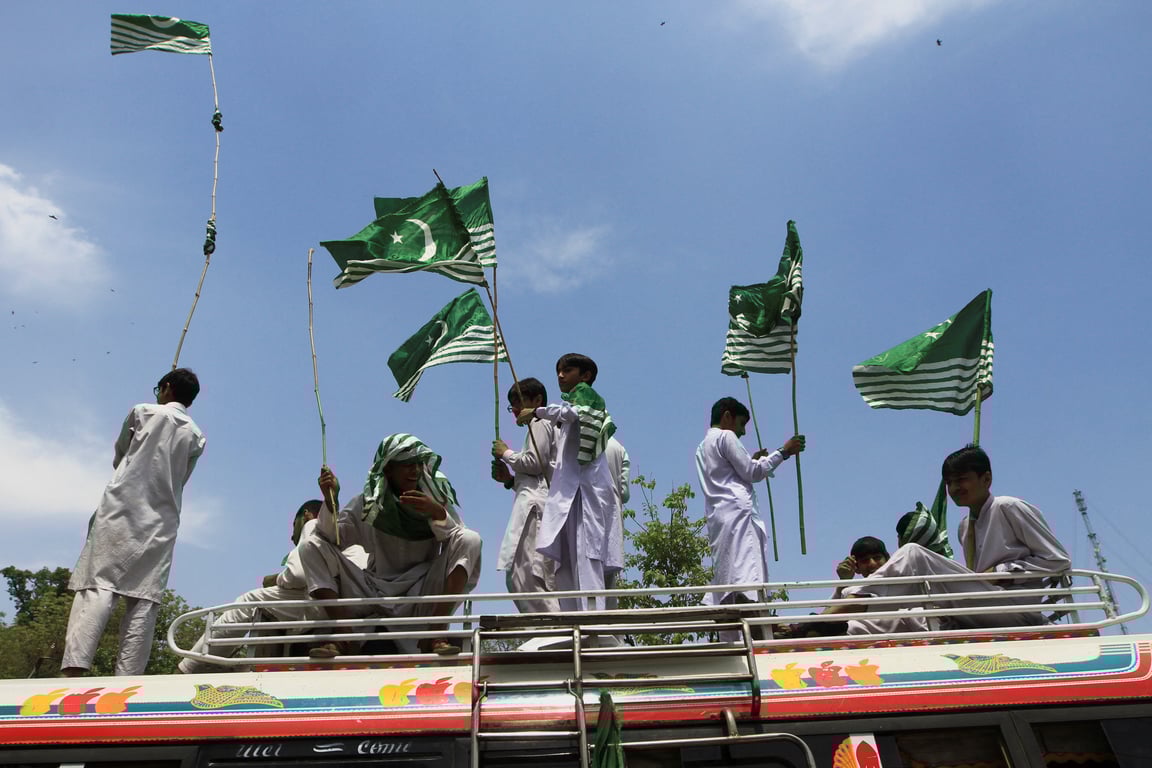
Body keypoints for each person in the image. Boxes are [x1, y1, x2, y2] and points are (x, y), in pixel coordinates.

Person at [61, 368, 206, 677]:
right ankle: (128, 677)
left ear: (166, 387)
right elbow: (182, 478)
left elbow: (120, 455)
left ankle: (75, 666)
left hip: (121, 510)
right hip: (162, 520)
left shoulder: (142, 412)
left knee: (99, 584)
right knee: (144, 597)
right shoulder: (196, 435)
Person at [845, 445, 1071, 634]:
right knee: (903, 615)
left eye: (961, 480)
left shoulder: (1008, 507)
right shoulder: (965, 527)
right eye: (949, 483)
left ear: (986, 479)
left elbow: (1057, 560)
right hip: (981, 607)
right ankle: (839, 623)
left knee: (914, 554)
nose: (954, 488)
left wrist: (1001, 571)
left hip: (1014, 608)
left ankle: (846, 606)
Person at [301, 434, 482, 656]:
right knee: (310, 545)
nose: (415, 471)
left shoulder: (434, 499)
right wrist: (331, 500)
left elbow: (459, 542)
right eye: (406, 465)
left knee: (471, 539)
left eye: (418, 464)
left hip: (420, 591)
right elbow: (333, 537)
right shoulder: (369, 503)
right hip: (373, 590)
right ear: (388, 470)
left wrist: (437, 513)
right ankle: (344, 635)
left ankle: (436, 633)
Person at [179, 500, 331, 674]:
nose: (292, 536)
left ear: (306, 515)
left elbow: (298, 575)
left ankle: (191, 667)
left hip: (318, 604)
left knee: (248, 601)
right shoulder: (335, 534)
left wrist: (275, 579)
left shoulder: (313, 524)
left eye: (294, 525)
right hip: (333, 604)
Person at [516, 353, 616, 612]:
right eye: (558, 371)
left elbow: (572, 413)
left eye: (567, 370)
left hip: (586, 491)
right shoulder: (569, 407)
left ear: (585, 376)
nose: (560, 375)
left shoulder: (587, 397)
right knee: (566, 559)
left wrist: (537, 412)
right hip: (569, 493)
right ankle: (573, 618)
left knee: (586, 553)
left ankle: (592, 621)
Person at [695, 397, 804, 610]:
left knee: (728, 566)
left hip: (719, 515)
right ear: (727, 416)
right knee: (746, 568)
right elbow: (753, 472)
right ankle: (748, 607)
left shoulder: (701, 447)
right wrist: (784, 452)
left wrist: (753, 459)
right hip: (738, 513)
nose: (743, 432)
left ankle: (729, 606)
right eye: (741, 424)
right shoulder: (726, 436)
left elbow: (730, 473)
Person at [492, 377, 559, 614]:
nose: (515, 409)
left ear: (537, 400)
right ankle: (546, 626)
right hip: (536, 502)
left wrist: (506, 453)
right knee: (525, 574)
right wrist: (510, 480)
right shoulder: (543, 426)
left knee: (528, 573)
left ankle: (551, 627)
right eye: (512, 405)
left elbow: (534, 463)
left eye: (519, 402)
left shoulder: (539, 422)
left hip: (535, 507)